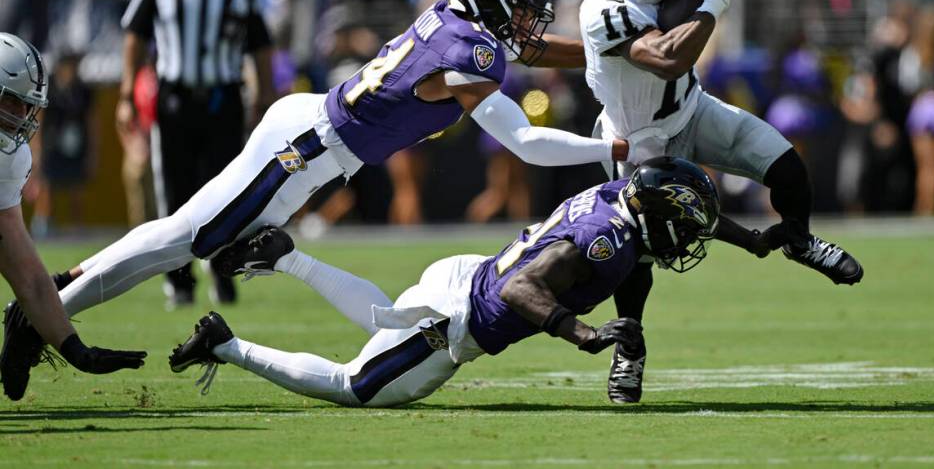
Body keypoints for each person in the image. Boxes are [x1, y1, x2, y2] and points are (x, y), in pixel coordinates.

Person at [1, 0, 639, 396]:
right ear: (495, 5)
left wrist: (617, 51)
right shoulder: (470, 51)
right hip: (308, 147)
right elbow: (523, 140)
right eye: (522, 9)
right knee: (184, 239)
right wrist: (606, 151)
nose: (531, 24)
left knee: (190, 238)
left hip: (315, 139)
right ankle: (43, 311)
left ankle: (44, 306)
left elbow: (530, 49)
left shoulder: (461, 24)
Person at [578, 0, 864, 403]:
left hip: (693, 107)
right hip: (639, 141)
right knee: (637, 257)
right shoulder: (602, 10)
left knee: (786, 166)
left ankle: (799, 241)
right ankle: (630, 349)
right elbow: (667, 57)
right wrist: (711, 5)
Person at [167, 157, 718, 407]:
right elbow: (520, 291)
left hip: (463, 273)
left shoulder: (615, 199)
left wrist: (760, 238)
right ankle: (225, 344)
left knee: (383, 320)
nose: (687, 240)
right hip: (459, 319)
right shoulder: (607, 241)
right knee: (353, 386)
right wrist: (583, 334)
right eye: (686, 228)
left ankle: (288, 259)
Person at [116, 0, 276, 308]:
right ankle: (180, 282)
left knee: (227, 192)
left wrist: (265, 100)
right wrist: (126, 93)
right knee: (175, 193)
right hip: (175, 100)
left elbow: (260, 46)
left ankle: (223, 274)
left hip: (224, 99)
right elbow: (135, 31)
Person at [0, 33, 146, 401]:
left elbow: (27, 274)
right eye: (11, 103)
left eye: (25, 107)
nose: (20, 118)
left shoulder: (10, 158)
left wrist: (74, 349)